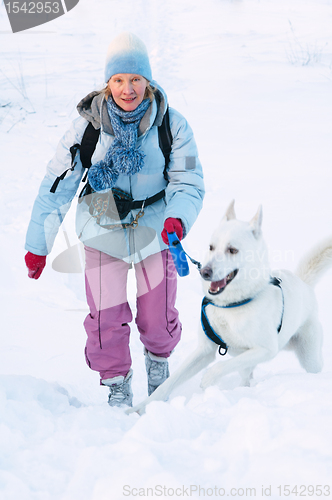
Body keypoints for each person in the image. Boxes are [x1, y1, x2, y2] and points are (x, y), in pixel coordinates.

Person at [24, 32, 204, 407]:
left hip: (155, 221)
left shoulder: (172, 125)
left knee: (157, 313)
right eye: (119, 80)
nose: (128, 89)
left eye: (136, 79)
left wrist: (177, 220)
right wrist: (38, 246)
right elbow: (56, 184)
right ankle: (117, 382)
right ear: (107, 83)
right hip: (102, 216)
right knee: (105, 314)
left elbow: (187, 181)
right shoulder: (88, 127)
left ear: (148, 82)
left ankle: (158, 363)